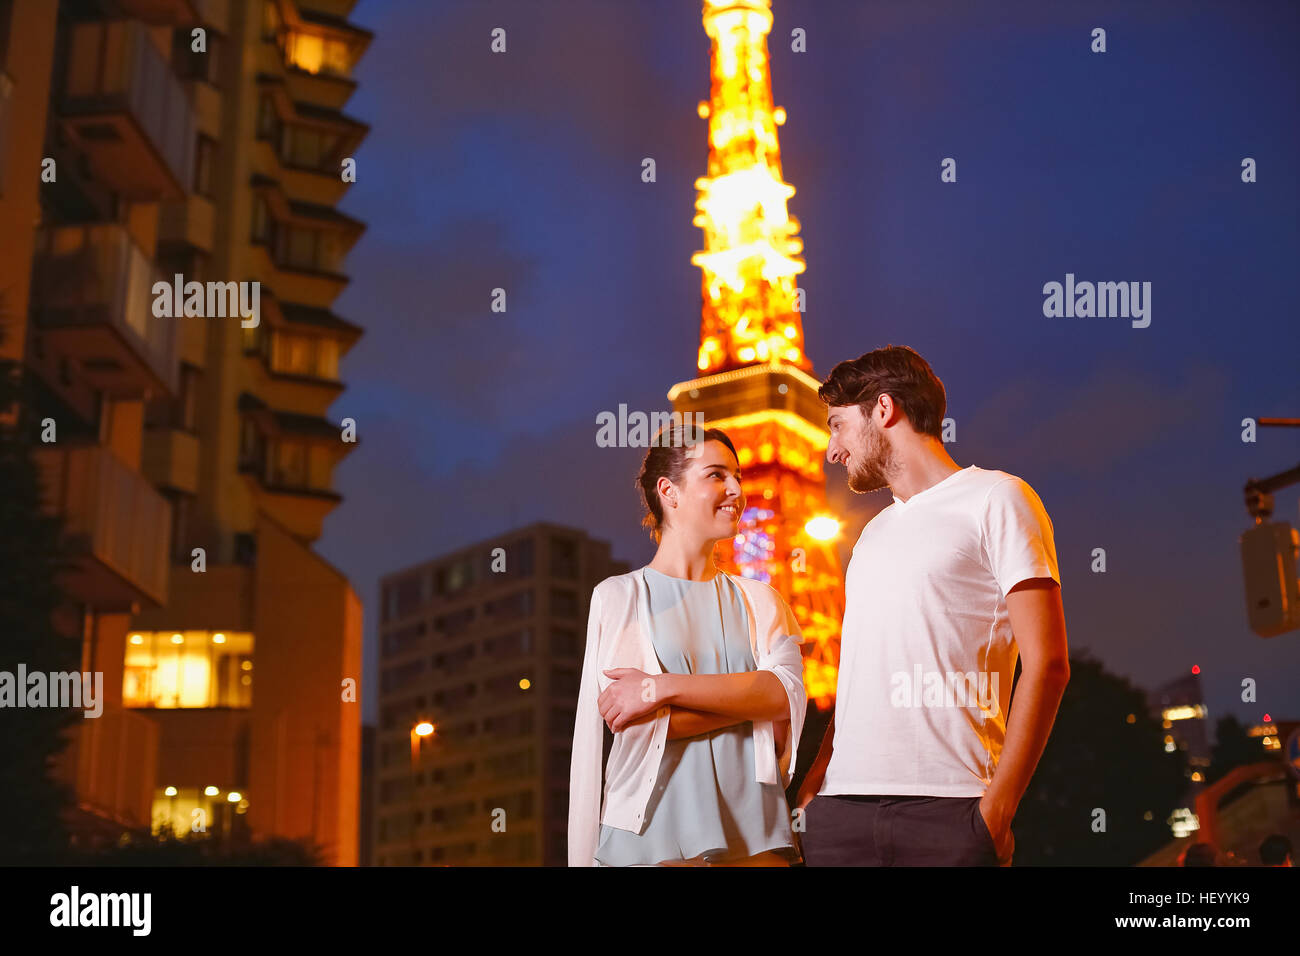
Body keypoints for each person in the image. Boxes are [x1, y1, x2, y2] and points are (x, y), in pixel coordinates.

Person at [796, 345, 1070, 866]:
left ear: (883, 409)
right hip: (838, 815)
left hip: (950, 810)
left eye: (837, 426)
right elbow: (857, 676)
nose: (830, 450)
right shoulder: (870, 534)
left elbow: (1049, 665)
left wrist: (997, 810)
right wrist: (813, 792)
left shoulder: (999, 499)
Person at [568, 423, 808, 866]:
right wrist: (747, 706)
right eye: (717, 475)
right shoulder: (618, 597)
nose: (737, 487)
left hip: (757, 836)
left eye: (737, 475)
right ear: (669, 490)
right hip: (649, 834)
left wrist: (662, 688)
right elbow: (637, 728)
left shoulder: (763, 601)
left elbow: (784, 697)